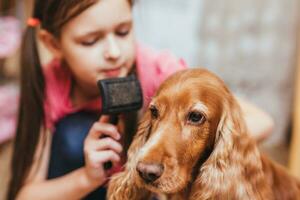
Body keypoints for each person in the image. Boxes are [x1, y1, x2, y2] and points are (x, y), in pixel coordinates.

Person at [7, 0, 274, 199]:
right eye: (91, 41)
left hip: (144, 188)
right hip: (76, 188)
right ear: (53, 44)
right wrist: (87, 177)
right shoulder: (47, 84)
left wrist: (190, 148)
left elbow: (262, 121)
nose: (113, 52)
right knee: (73, 133)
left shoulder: (156, 70)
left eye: (123, 32)